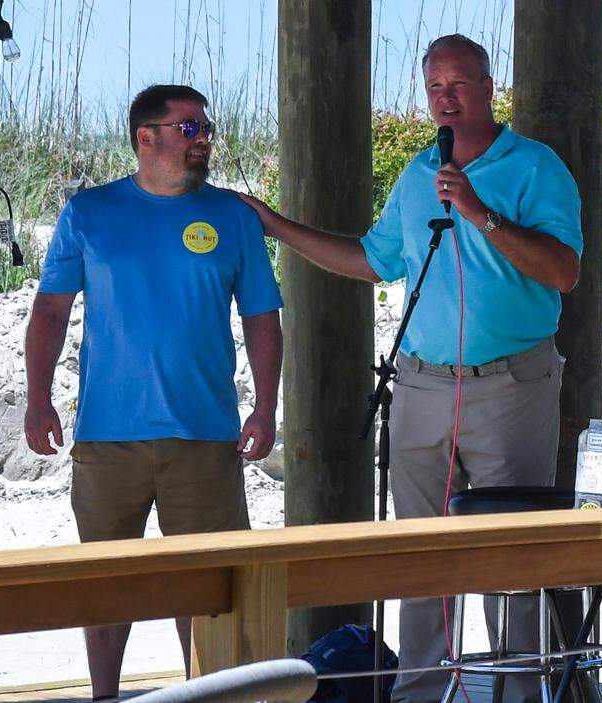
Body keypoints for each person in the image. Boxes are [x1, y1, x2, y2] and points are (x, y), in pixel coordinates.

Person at [236, 34, 582, 703]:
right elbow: (374, 259)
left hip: (510, 386)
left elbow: (563, 271)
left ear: (488, 86)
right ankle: (420, 692)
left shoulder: (537, 169)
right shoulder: (419, 172)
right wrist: (277, 225)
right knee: (421, 557)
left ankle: (514, 692)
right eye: (434, 88)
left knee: (506, 558)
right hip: (422, 386)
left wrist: (482, 214)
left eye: (458, 84)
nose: (445, 99)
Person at [24, 84, 284, 703]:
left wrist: (267, 405)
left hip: (206, 435)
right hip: (107, 438)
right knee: (107, 584)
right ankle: (105, 696)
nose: (205, 139)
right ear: (148, 137)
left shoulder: (233, 216)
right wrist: (38, 398)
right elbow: (51, 311)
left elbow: (262, 318)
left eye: (207, 127)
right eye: (189, 128)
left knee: (209, 588)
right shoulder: (88, 212)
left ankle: (208, 693)